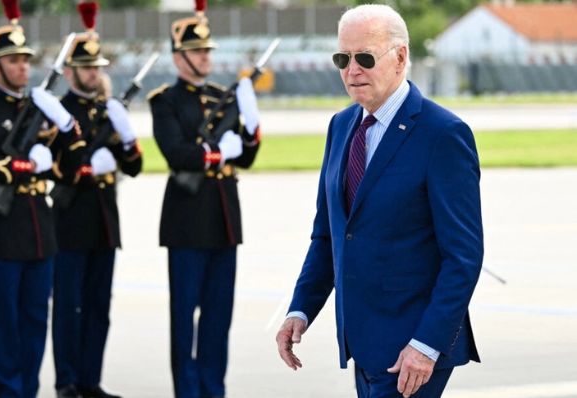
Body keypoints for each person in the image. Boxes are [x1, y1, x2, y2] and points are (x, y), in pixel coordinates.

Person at [275, 5, 483, 398]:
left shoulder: (443, 135)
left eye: (365, 58)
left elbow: (464, 257)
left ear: (400, 56)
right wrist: (300, 309)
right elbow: (330, 235)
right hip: (364, 345)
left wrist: (426, 345)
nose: (352, 69)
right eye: (343, 58)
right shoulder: (341, 126)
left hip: (413, 352)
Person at [0, 1, 80, 396]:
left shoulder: (39, 107)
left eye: (25, 61)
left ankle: (27, 389)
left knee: (33, 322)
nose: (22, 68)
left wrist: (65, 125)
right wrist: (26, 164)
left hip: (39, 231)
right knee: (4, 324)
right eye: (12, 61)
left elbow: (72, 162)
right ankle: (7, 391)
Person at [147, 2, 262, 397]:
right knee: (185, 317)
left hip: (224, 219)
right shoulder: (164, 102)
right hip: (187, 221)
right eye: (198, 51)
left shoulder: (222, 96)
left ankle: (214, 388)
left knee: (218, 317)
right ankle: (187, 390)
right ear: (179, 57)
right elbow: (177, 154)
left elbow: (246, 156)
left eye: (208, 51)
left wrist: (251, 126)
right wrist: (218, 152)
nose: (205, 57)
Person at [49, 2, 141, 398]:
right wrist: (86, 168)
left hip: (104, 222)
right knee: (68, 306)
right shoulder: (58, 111)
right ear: (69, 72)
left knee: (98, 308)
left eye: (98, 67)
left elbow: (134, 166)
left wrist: (128, 138)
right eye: (87, 67)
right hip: (70, 221)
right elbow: (54, 166)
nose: (94, 73)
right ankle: (67, 380)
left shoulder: (107, 110)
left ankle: (90, 379)